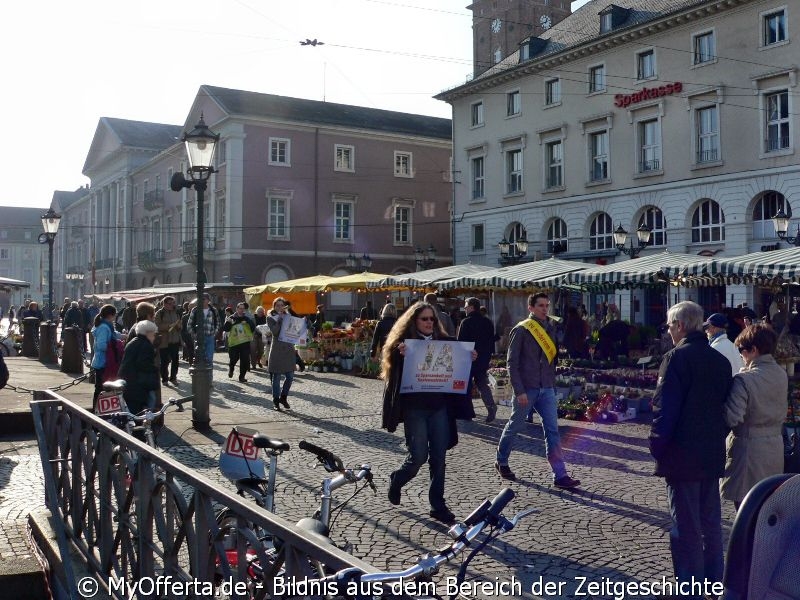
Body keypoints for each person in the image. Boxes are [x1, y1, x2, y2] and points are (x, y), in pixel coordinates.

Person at [649, 301, 732, 589]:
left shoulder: (676, 358)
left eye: (671, 325)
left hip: (683, 455)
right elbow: (727, 409)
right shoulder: (720, 361)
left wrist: (656, 446)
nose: (669, 330)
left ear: (681, 326)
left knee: (685, 527)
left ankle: (689, 588)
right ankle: (713, 581)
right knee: (710, 523)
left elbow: (664, 410)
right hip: (710, 452)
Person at [381, 301, 476, 524]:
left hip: (439, 407)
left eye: (432, 319)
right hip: (415, 408)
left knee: (439, 457)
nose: (429, 322)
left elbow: (458, 369)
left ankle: (437, 505)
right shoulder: (403, 345)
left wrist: (469, 359)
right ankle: (397, 480)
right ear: (414, 321)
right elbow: (392, 373)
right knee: (418, 457)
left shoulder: (446, 343)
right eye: (424, 319)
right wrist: (398, 355)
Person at [494, 293, 581, 488]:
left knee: (552, 431)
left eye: (547, 305)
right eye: (541, 305)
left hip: (546, 387)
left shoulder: (550, 328)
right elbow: (512, 363)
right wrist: (519, 390)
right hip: (527, 388)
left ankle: (560, 475)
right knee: (515, 426)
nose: (545, 309)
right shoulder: (522, 329)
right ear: (530, 308)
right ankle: (501, 461)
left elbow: (551, 358)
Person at [721, 325, 788, 509]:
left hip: (748, 451)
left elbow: (731, 418)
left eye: (742, 350)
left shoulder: (745, 379)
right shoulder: (781, 374)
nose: (741, 355)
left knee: (745, 510)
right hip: (774, 448)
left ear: (754, 350)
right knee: (765, 507)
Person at [457, 297, 497, 423]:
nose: (464, 308)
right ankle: (491, 406)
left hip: (468, 357)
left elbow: (461, 342)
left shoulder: (466, 322)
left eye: (466, 306)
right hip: (483, 358)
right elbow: (492, 340)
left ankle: (469, 412)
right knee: (482, 383)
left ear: (472, 307)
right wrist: (487, 356)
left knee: (467, 385)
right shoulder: (487, 321)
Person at [118, 320, 161, 413]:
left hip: (128, 381)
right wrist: (155, 369)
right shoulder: (146, 345)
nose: (154, 337)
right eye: (153, 334)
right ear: (148, 333)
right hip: (137, 383)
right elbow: (143, 364)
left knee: (131, 409)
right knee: (143, 407)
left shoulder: (133, 342)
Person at [90, 304, 124, 411]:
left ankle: (100, 409)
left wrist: (123, 336)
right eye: (115, 315)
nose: (115, 317)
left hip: (103, 361)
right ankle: (96, 409)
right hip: (103, 362)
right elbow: (101, 345)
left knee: (102, 387)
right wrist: (115, 345)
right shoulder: (104, 327)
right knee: (100, 388)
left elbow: (114, 334)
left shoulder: (105, 325)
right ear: (110, 315)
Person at [267, 297, 294, 410]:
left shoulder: (289, 316)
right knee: (276, 377)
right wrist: (280, 319)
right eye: (277, 305)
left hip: (288, 350)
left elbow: (293, 330)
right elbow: (275, 331)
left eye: (281, 305)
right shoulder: (270, 318)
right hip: (277, 350)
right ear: (274, 306)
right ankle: (276, 401)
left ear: (284, 306)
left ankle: (283, 397)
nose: (279, 307)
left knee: (290, 377)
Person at [223, 302, 256, 383]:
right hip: (234, 343)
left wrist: (248, 323)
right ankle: (231, 368)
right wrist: (229, 322)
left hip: (244, 343)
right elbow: (225, 329)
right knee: (233, 358)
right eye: (240, 308)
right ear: (237, 309)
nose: (241, 310)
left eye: (243, 308)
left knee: (244, 360)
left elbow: (253, 328)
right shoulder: (231, 317)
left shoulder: (247, 318)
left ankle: (242, 377)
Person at [154, 296, 182, 385]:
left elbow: (180, 325)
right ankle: (165, 379)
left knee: (175, 360)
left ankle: (173, 378)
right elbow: (157, 326)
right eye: (170, 303)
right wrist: (169, 326)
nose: (172, 305)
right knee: (164, 361)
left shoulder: (176, 312)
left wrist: (178, 326)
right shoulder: (159, 313)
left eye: (173, 303)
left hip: (175, 340)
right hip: (164, 341)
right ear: (165, 304)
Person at [190, 294, 218, 370]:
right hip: (198, 337)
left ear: (208, 300)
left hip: (210, 336)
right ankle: (200, 376)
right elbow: (189, 324)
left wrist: (215, 332)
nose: (201, 301)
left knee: (209, 358)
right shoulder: (195, 310)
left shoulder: (213, 310)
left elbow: (217, 322)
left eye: (203, 299)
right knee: (199, 358)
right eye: (200, 299)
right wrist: (194, 334)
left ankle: (209, 377)